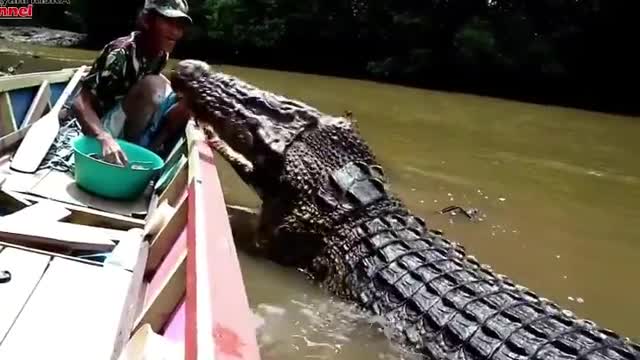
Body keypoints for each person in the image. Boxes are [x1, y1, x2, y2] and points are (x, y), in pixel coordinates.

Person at [70, 0, 194, 165]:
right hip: (101, 125)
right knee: (152, 85)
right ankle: (131, 151)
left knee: (190, 102)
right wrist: (104, 137)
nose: (176, 32)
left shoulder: (161, 54)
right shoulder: (120, 54)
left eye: (180, 26)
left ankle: (151, 152)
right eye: (168, 22)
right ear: (146, 20)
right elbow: (80, 102)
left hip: (131, 116)